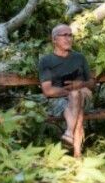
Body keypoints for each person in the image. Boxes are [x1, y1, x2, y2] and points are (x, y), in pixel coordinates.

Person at [38, 24, 95, 159]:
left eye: (70, 35)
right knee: (77, 104)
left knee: (77, 95)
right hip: (58, 101)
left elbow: (92, 84)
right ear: (54, 39)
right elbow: (47, 91)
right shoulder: (46, 61)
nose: (68, 39)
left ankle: (68, 133)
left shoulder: (79, 57)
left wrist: (81, 84)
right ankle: (77, 154)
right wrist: (70, 91)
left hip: (83, 96)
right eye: (64, 35)